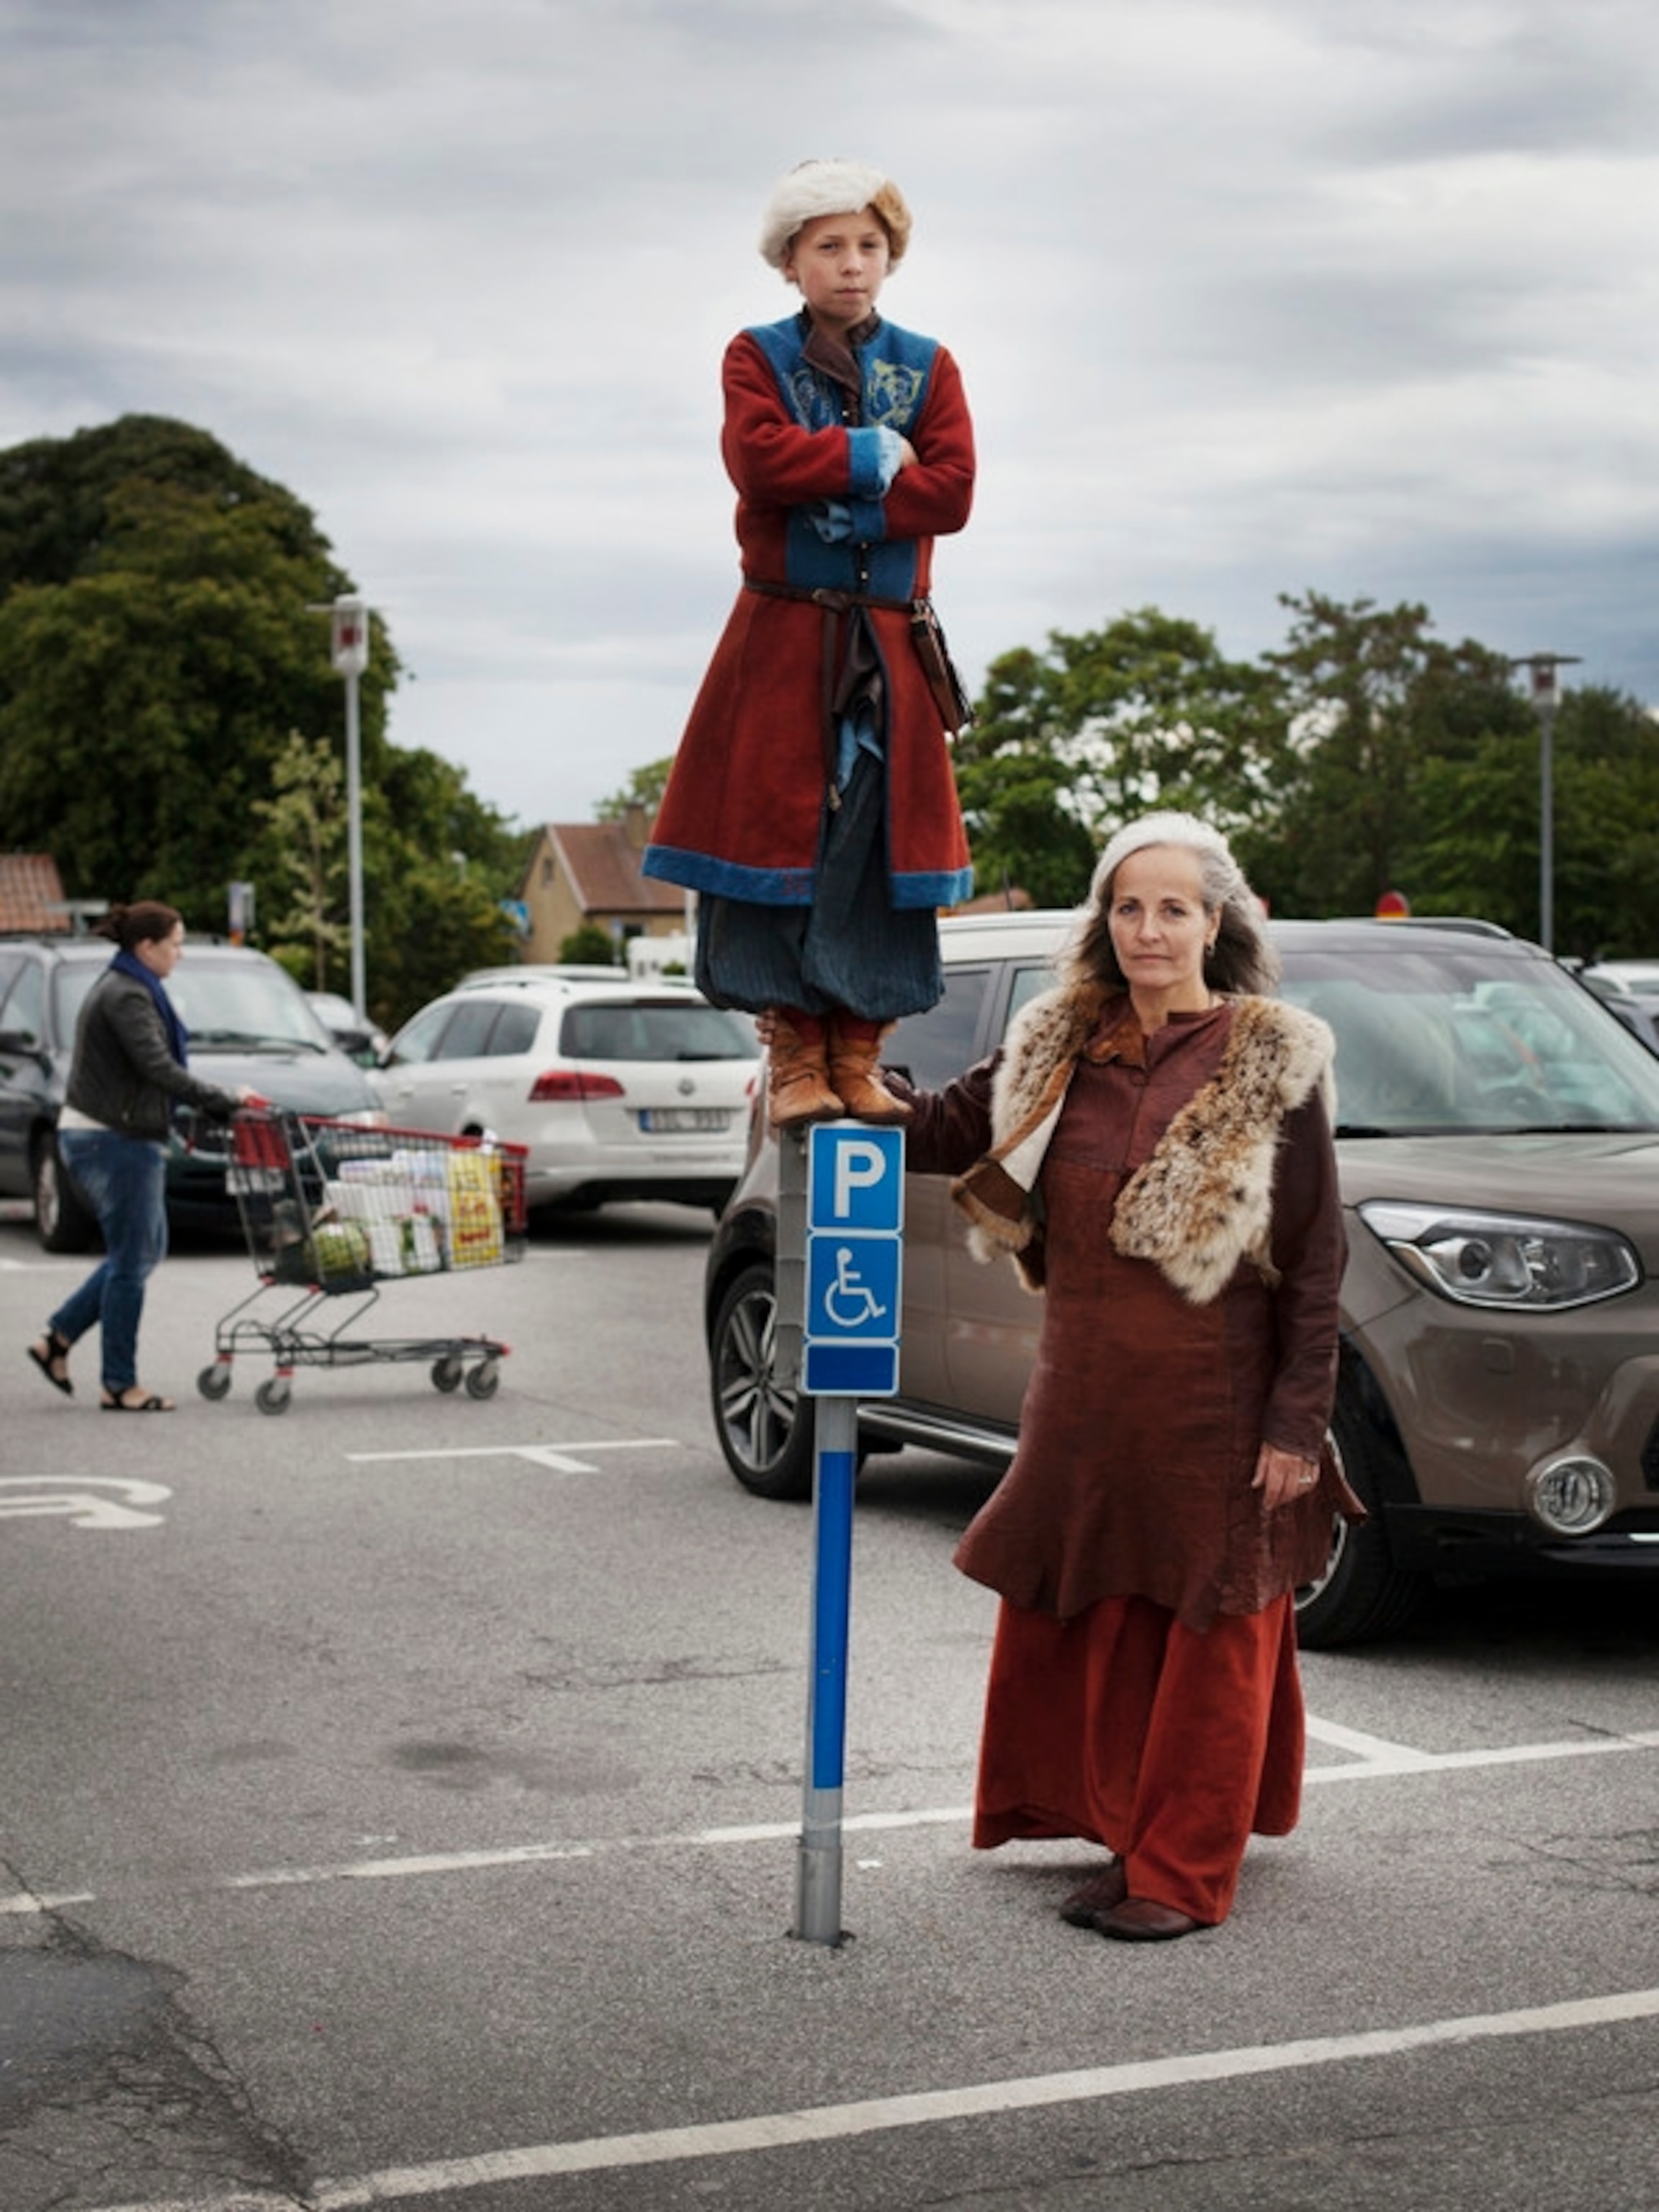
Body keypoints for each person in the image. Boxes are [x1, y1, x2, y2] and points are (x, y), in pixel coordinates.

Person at [894, 811, 1362, 1940]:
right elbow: (944, 1129)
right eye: (1127, 906)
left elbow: (1314, 1263)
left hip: (1217, 1401)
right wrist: (826, 1079)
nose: (1149, 929)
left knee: (1211, 1630)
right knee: (1100, 1612)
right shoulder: (1058, 1040)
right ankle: (1121, 1828)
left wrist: (1296, 1428)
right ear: (1103, 922)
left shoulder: (1271, 1058)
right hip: (1083, 1395)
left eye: (1173, 908)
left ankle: (1181, 1875)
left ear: (1217, 923)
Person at [643, 157, 976, 1129]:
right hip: (784, 636)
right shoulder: (754, 355)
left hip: (888, 646)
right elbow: (757, 462)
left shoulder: (931, 362)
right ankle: (793, 1053)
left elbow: (951, 491)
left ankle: (860, 1052)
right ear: (790, 261)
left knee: (875, 841)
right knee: (780, 833)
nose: (852, 264)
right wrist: (873, 457)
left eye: (869, 245)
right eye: (829, 246)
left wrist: (824, 499)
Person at [25, 903, 263, 1412]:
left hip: (115, 1134)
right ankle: (119, 1383)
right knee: (133, 1260)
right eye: (174, 944)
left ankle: (58, 1340)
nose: (180, 953)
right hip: (113, 1140)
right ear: (146, 947)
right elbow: (157, 1067)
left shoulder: (129, 987)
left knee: (139, 1252)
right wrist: (225, 1100)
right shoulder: (127, 996)